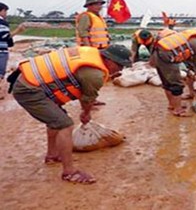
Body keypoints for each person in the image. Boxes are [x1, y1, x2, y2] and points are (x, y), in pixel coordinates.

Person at [10, 44, 131, 184]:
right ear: (109, 60)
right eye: (120, 65)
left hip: (28, 81)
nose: (121, 69)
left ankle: (52, 155)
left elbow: (80, 83)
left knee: (57, 118)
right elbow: (87, 98)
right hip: (28, 90)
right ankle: (69, 172)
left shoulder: (90, 54)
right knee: (65, 125)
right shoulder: (94, 74)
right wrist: (85, 114)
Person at [151, 28, 196, 116]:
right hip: (166, 57)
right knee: (177, 84)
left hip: (158, 55)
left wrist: (191, 70)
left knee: (167, 82)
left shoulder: (187, 38)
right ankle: (178, 110)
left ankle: (172, 104)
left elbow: (185, 55)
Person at [0, 2, 25, 99]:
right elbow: (5, 37)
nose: (6, 14)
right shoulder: (2, 22)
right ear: (2, 11)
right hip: (1, 51)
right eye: (5, 11)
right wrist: (18, 30)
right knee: (0, 72)